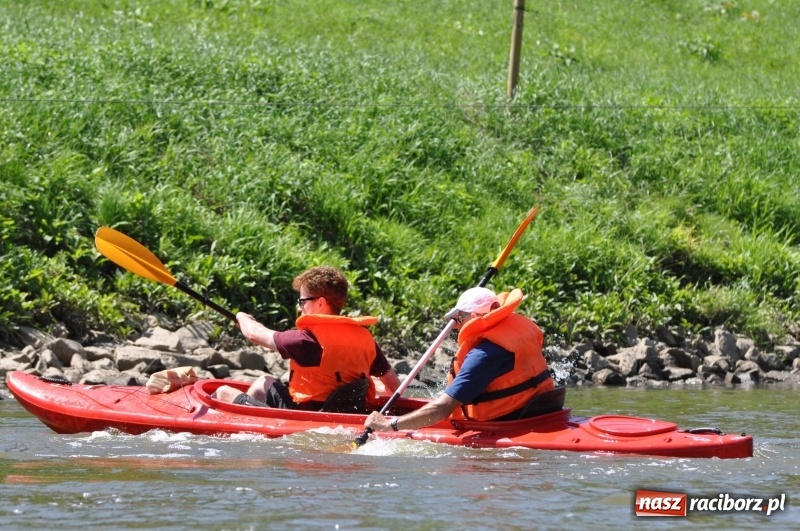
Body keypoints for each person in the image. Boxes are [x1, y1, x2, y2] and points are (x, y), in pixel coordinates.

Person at [364, 286, 555, 432]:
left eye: (458, 319)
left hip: (508, 423)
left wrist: (390, 425)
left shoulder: (484, 355)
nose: (455, 327)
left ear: (473, 316)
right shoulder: (516, 331)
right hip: (540, 411)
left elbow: (443, 409)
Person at [213, 265, 401, 410]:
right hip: (347, 416)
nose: (299, 307)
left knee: (224, 392)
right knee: (265, 383)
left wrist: (242, 317)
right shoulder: (366, 340)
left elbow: (254, 334)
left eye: (302, 301)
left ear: (320, 303)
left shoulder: (305, 341)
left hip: (307, 417)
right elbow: (395, 389)